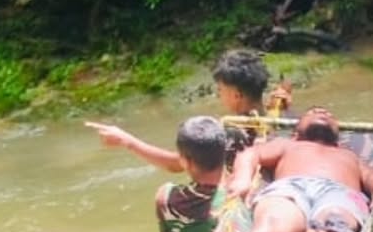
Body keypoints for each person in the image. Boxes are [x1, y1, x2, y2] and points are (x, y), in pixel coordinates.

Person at [213, 107, 373, 232]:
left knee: (338, 226)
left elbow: (372, 176)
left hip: (339, 192)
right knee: (271, 222)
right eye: (312, 112)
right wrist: (242, 178)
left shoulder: (349, 155)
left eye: (329, 114)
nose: (323, 113)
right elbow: (251, 154)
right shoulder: (288, 144)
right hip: (291, 188)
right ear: (295, 132)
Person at [85, 48, 291, 172]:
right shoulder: (280, 116)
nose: (219, 95)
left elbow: (177, 164)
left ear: (236, 95)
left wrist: (127, 141)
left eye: (220, 90)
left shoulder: (228, 131)